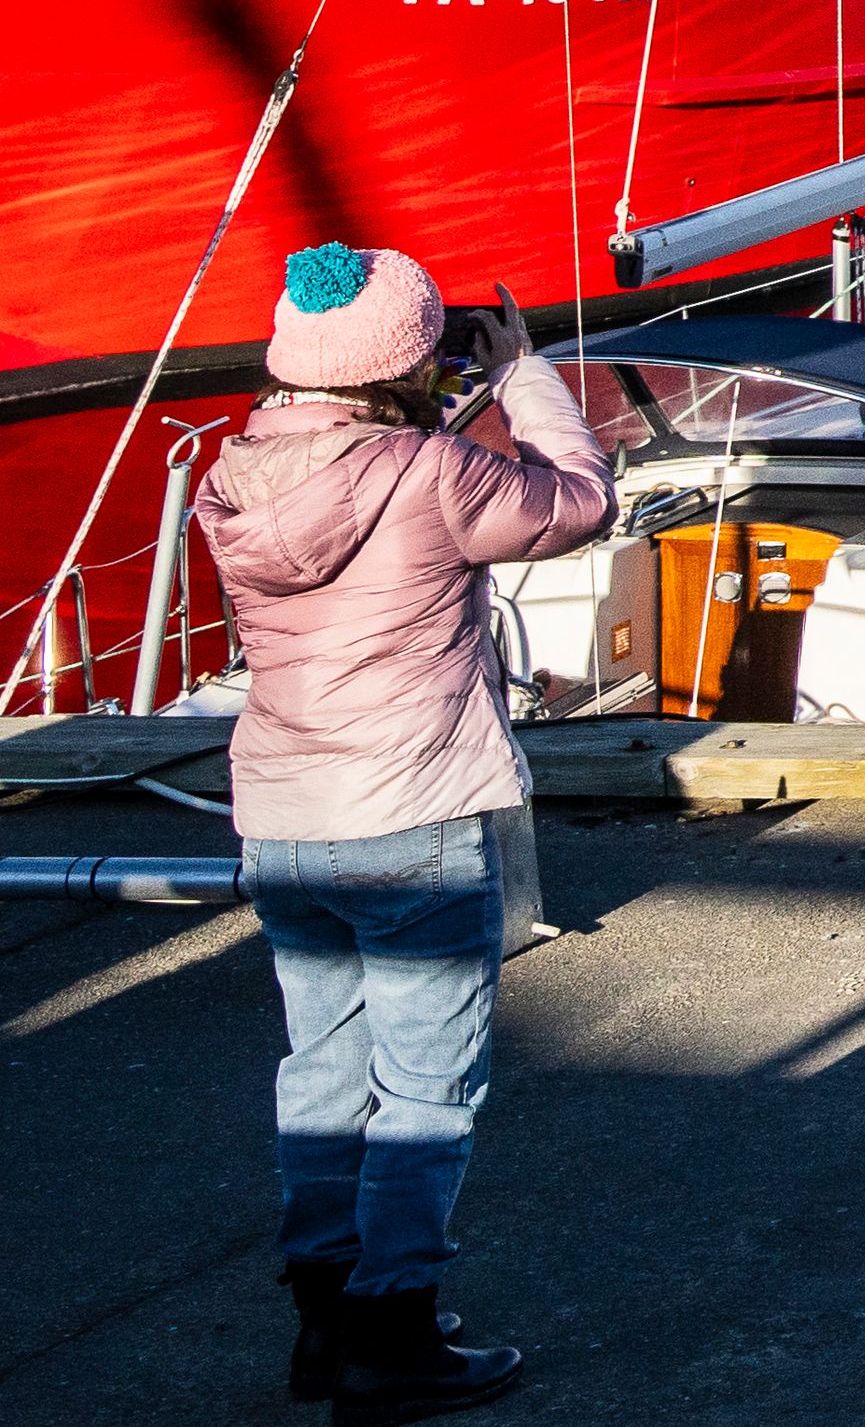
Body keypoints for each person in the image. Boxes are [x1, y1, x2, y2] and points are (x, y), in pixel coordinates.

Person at [196, 244, 613, 1419]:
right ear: (409, 359)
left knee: (322, 1071)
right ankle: (396, 1331)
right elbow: (580, 499)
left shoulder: (228, 477)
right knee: (426, 1090)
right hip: (412, 812)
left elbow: (352, 468)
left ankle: (325, 1322)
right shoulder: (432, 468)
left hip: (282, 819)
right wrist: (521, 372)